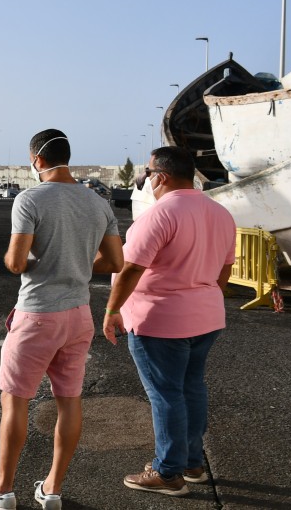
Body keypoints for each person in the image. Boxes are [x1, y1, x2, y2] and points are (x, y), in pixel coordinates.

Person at [0, 129, 124, 510]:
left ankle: (3, 490)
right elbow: (116, 262)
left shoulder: (29, 199)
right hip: (79, 316)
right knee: (69, 401)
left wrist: (31, 261)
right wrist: (75, 264)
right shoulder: (99, 202)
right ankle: (52, 490)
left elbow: (16, 262)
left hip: (38, 314)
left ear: (37, 159)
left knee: (16, 401)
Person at [102, 146, 236, 497]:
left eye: (147, 173)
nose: (146, 179)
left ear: (159, 176)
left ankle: (168, 472)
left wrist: (112, 309)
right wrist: (204, 296)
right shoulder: (221, 213)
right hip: (206, 318)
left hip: (159, 320)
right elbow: (225, 268)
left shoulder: (160, 215)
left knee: (165, 395)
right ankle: (192, 463)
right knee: (191, 388)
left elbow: (131, 268)